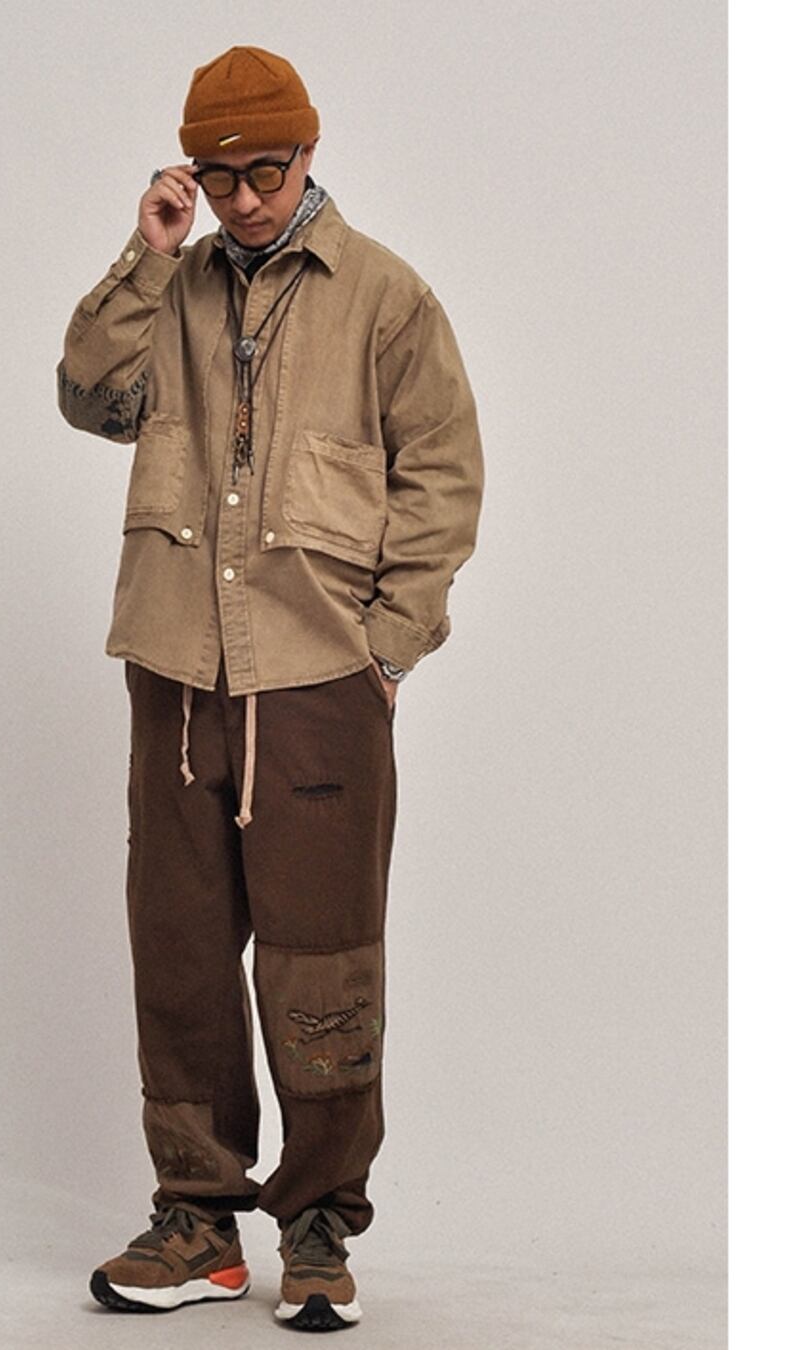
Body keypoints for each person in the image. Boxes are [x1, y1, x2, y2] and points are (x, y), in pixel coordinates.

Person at [56, 43, 485, 1332]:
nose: (243, 199)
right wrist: (146, 254)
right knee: (181, 953)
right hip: (179, 677)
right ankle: (198, 1221)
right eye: (219, 176)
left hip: (319, 681)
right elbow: (88, 399)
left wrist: (389, 649)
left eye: (266, 172)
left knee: (321, 962)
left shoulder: (386, 298)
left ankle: (318, 1224)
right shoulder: (174, 288)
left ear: (310, 151)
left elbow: (443, 477)